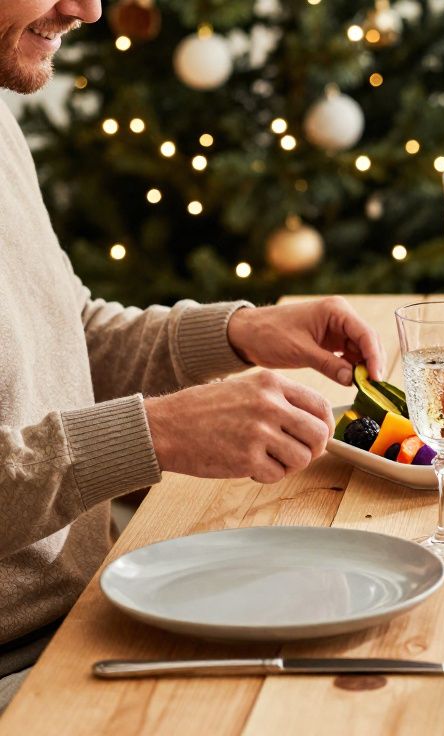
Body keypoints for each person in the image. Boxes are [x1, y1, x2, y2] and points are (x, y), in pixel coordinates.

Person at [0, 0, 387, 706]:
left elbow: (66, 334)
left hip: (83, 617)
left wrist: (241, 333)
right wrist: (156, 433)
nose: (86, 8)